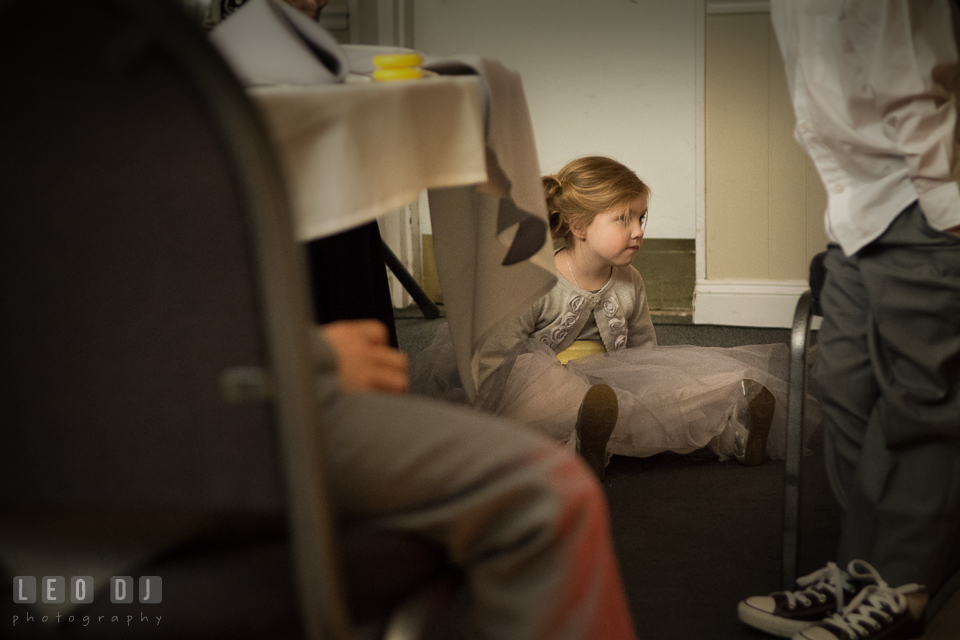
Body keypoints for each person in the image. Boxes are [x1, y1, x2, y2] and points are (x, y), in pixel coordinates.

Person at [737, 2, 960, 639]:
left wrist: (944, 202)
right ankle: (861, 573)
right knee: (846, 390)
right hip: (857, 208)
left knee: (922, 401)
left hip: (921, 200)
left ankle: (903, 585)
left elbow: (909, 65)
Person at [414, 156, 819, 478]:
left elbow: (645, 350)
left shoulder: (629, 281)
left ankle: (735, 429)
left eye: (641, 217)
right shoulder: (534, 281)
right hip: (540, 382)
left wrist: (662, 387)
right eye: (623, 219)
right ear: (579, 227)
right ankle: (584, 438)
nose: (638, 230)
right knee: (553, 397)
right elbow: (497, 359)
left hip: (612, 380)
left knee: (678, 394)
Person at [317, 319, 639, 639]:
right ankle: (574, 451)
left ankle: (578, 446)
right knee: (551, 489)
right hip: (283, 407)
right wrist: (319, 357)